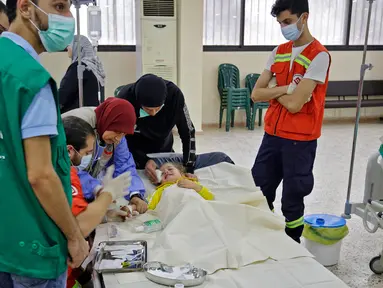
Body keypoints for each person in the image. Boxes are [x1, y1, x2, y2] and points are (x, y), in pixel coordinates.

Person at [0, 0, 88, 286]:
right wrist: (75, 237)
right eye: (59, 6)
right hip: (32, 244)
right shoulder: (31, 80)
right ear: (25, 8)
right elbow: (41, 175)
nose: (68, 17)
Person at [251, 0, 331, 243]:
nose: (283, 27)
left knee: (292, 198)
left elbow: (296, 105)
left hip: (299, 141)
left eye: (287, 21)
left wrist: (273, 91)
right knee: (259, 187)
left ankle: (292, 243)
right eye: (280, 23)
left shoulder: (319, 55)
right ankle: (264, 236)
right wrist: (286, 89)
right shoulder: (279, 51)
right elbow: (256, 94)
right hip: (272, 136)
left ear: (303, 17)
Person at [117, 74, 235, 183]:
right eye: (148, 110)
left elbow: (187, 131)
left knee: (220, 158)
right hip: (135, 150)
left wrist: (188, 168)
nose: (153, 114)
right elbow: (118, 139)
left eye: (157, 109)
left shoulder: (174, 95)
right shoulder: (125, 98)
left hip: (163, 150)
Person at [63, 116, 133, 288]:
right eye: (87, 153)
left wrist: (104, 214)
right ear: (69, 151)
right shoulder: (63, 175)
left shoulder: (64, 170)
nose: (88, 157)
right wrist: (107, 195)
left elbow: (62, 215)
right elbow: (78, 228)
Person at [62, 97, 149, 214]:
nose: (118, 138)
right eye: (118, 132)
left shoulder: (116, 129)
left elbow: (124, 163)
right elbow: (66, 170)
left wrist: (135, 194)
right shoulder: (77, 127)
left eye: (123, 134)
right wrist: (97, 189)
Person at [59, 35, 105, 114]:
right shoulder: (95, 67)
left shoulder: (78, 67)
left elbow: (64, 93)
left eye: (69, 45)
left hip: (77, 115)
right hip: (93, 113)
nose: (67, 49)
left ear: (78, 47)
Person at [147, 163, 214, 210]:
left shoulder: (191, 182)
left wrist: (195, 186)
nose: (166, 172)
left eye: (170, 169)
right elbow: (150, 205)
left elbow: (209, 197)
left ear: (181, 173)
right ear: (160, 180)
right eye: (162, 173)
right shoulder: (161, 190)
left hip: (196, 207)